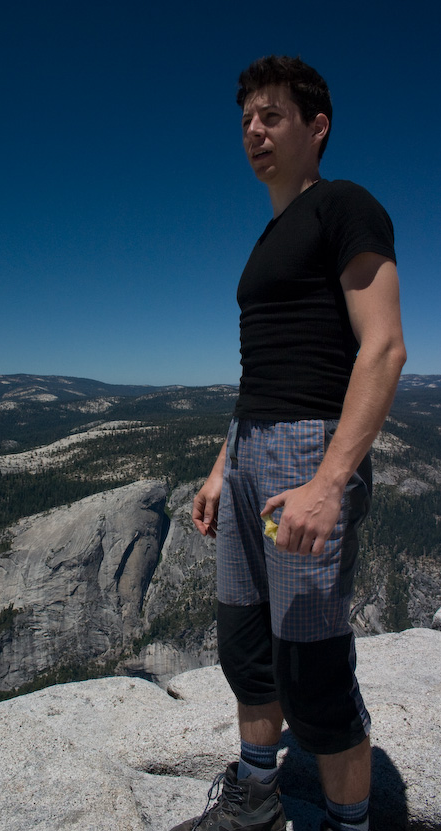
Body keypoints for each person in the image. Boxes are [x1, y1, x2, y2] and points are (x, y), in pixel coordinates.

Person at [169, 55, 406, 831]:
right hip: (249, 454)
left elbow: (384, 348)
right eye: (246, 119)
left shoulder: (345, 206)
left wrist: (329, 481)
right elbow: (259, 375)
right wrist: (220, 467)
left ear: (317, 126)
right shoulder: (268, 237)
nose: (254, 130)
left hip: (309, 453)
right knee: (245, 648)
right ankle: (257, 799)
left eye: (271, 116)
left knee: (313, 668)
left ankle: (349, 823)